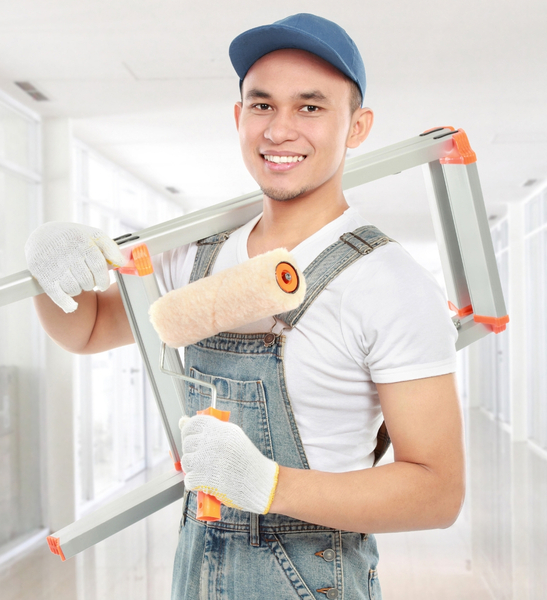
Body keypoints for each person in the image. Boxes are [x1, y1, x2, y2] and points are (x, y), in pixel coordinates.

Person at [25, 13, 465, 600]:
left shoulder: (387, 282)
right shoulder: (198, 258)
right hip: (200, 568)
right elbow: (87, 330)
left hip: (313, 580)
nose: (280, 130)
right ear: (239, 118)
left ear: (357, 127)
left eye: (310, 107)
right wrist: (47, 268)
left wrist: (267, 484)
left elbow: (438, 492)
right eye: (262, 106)